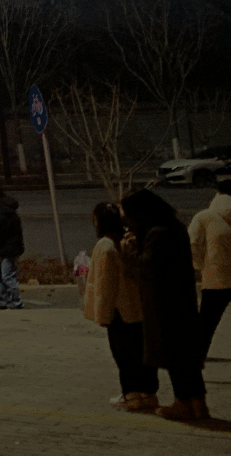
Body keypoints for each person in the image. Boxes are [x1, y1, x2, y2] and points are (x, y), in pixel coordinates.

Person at [121, 188, 208, 421]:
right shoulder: (174, 227)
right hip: (182, 300)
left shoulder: (157, 234)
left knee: (175, 357)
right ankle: (198, 403)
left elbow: (147, 267)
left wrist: (130, 249)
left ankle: (183, 403)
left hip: (164, 305)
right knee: (186, 356)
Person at [80, 201, 157, 411]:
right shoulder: (129, 240)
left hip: (119, 311)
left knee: (124, 355)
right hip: (138, 308)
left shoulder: (105, 246)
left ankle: (131, 396)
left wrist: (103, 316)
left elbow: (106, 285)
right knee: (142, 353)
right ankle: (148, 394)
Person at [188, 176, 231, 353]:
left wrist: (199, 267)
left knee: (207, 320)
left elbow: (192, 245)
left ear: (217, 192)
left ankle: (197, 355)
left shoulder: (205, 216)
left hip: (215, 277)